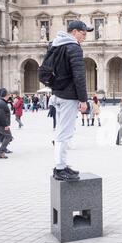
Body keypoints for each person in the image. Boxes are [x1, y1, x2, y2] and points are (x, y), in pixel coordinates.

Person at [49, 20, 92, 181]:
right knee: (64, 133)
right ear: (74, 32)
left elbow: (48, 70)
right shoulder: (74, 48)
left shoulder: (55, 45)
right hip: (68, 96)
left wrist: (55, 87)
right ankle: (60, 168)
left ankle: (62, 165)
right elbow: (79, 76)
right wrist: (83, 99)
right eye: (83, 33)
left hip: (58, 94)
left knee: (61, 131)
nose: (84, 37)